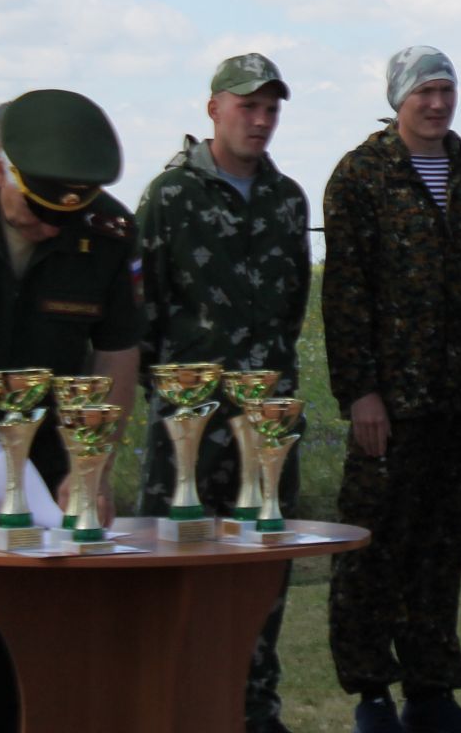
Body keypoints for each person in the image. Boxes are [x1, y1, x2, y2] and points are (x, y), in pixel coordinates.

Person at [0, 89, 142, 733]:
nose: (51, 228)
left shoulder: (109, 232)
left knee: (22, 657)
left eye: (67, 216)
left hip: (41, 470)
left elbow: (116, 354)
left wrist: (91, 464)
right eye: (36, 211)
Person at [322, 46, 461, 733]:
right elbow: (346, 295)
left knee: (441, 550)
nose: (437, 105)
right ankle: (372, 693)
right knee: (374, 548)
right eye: (423, 94)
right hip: (392, 405)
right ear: (398, 100)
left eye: (446, 91)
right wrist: (360, 393)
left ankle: (432, 693)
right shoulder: (359, 176)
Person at [136, 53, 312, 733]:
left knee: (262, 575)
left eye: (271, 109)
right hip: (188, 426)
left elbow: (293, 304)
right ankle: (170, 710)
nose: (261, 120)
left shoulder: (287, 197)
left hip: (265, 421)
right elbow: (144, 312)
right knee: (173, 577)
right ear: (214, 108)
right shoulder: (171, 195)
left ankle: (254, 711)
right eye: (248, 106)